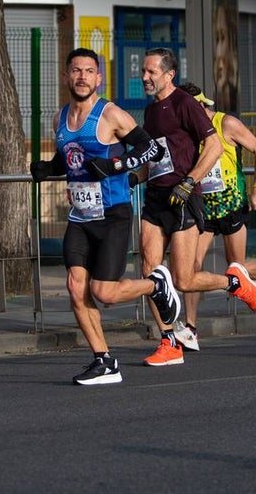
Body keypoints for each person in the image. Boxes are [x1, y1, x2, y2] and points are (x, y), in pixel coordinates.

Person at [30, 48, 182, 385]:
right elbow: (70, 158)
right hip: (80, 217)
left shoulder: (111, 114)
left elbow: (151, 150)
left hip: (113, 214)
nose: (82, 76)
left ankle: (155, 284)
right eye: (76, 70)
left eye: (89, 71)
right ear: (66, 76)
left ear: (98, 78)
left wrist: (116, 165)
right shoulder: (60, 118)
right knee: (75, 287)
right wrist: (48, 168)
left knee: (106, 292)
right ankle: (104, 360)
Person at [139, 47, 256, 367]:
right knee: (150, 271)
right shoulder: (150, 112)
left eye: (151, 72)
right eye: (143, 71)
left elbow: (214, 145)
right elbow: (156, 157)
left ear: (169, 75)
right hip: (155, 198)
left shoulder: (185, 103)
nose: (145, 77)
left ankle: (235, 282)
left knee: (183, 279)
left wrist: (190, 181)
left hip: (183, 197)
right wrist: (129, 177)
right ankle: (169, 341)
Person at [173, 82, 256, 351]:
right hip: (203, 210)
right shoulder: (187, 132)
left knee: (237, 269)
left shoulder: (225, 124)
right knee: (191, 269)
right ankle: (190, 328)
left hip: (231, 206)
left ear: (201, 105)